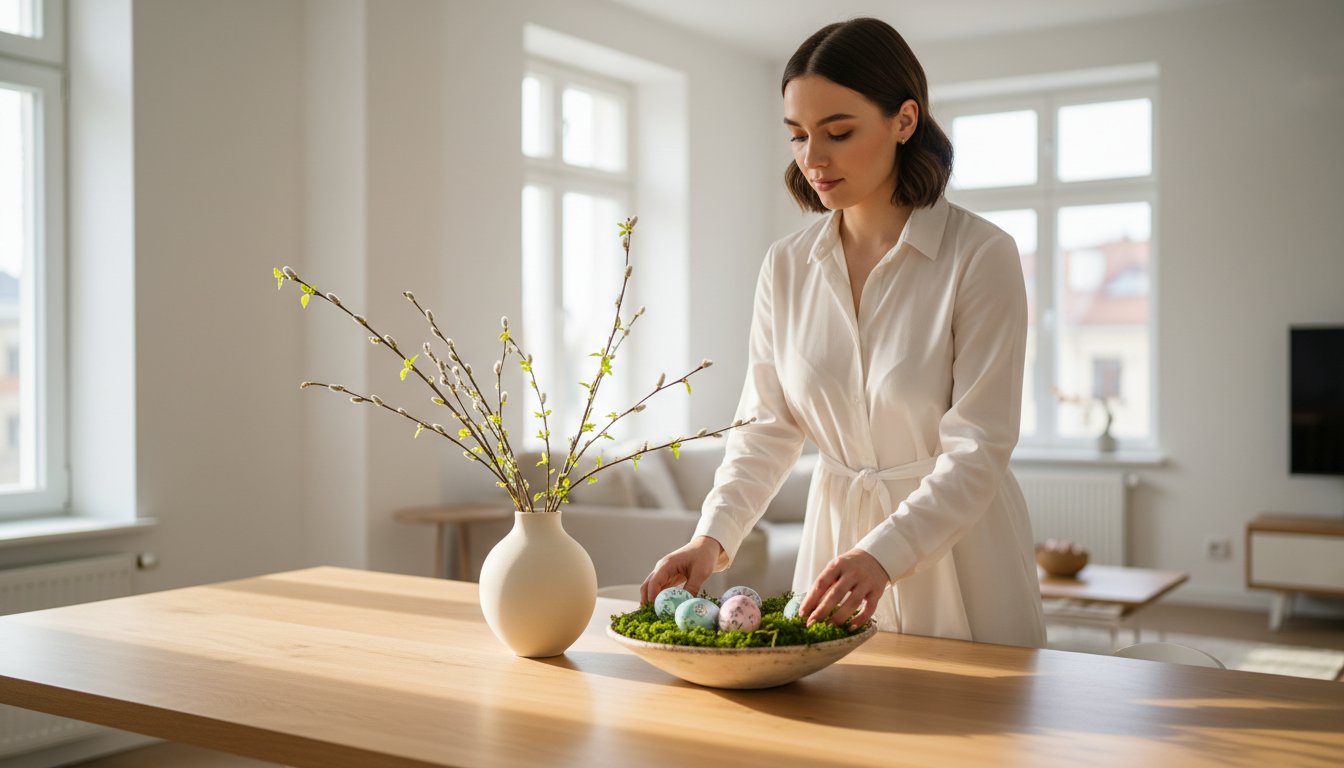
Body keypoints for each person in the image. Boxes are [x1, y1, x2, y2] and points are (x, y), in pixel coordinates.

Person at [639, 17, 1046, 648]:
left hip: (960, 555)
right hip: (834, 552)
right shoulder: (786, 265)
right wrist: (711, 538)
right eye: (798, 136)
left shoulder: (980, 255)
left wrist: (884, 555)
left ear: (904, 121)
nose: (813, 159)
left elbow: (979, 446)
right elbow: (766, 428)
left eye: (838, 132)